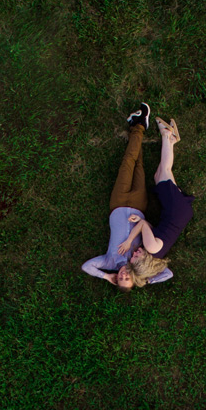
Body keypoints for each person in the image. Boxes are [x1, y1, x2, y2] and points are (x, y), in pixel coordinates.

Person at [81, 103, 173, 291]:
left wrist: (106, 276)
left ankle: (139, 125)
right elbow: (168, 274)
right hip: (139, 205)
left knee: (127, 164)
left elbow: (86, 266)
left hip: (119, 202)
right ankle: (136, 126)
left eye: (120, 279)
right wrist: (147, 280)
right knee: (139, 166)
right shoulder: (139, 262)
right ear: (133, 278)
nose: (123, 275)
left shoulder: (109, 261)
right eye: (127, 279)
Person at [124, 116, 195, 271]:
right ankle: (166, 135)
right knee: (164, 172)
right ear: (143, 261)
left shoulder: (156, 252)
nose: (134, 253)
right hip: (175, 212)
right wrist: (129, 240)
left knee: (159, 175)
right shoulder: (150, 248)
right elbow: (143, 225)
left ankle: (171, 140)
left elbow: (153, 230)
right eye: (136, 257)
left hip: (179, 215)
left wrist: (141, 220)